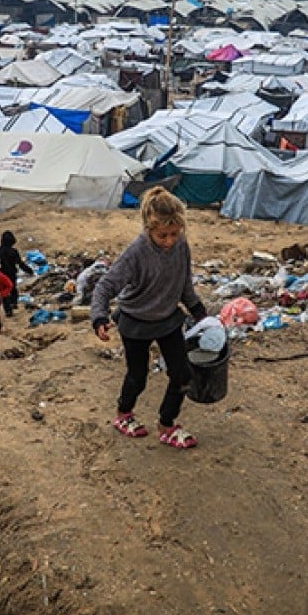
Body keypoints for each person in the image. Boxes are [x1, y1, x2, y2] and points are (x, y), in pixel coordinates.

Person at [91, 187, 208, 450]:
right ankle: (124, 414)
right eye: (162, 235)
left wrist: (199, 311)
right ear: (148, 229)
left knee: (182, 375)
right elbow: (105, 286)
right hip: (135, 320)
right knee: (138, 375)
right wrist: (99, 317)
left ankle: (167, 425)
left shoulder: (181, 246)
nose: (169, 241)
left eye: (174, 234)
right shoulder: (136, 253)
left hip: (168, 319)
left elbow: (184, 284)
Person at [0, 230, 33, 318]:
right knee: (13, 289)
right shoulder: (14, 251)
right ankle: (14, 303)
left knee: (4, 292)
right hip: (11, 274)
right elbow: (20, 264)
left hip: (0, 274)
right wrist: (29, 270)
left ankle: (8, 310)